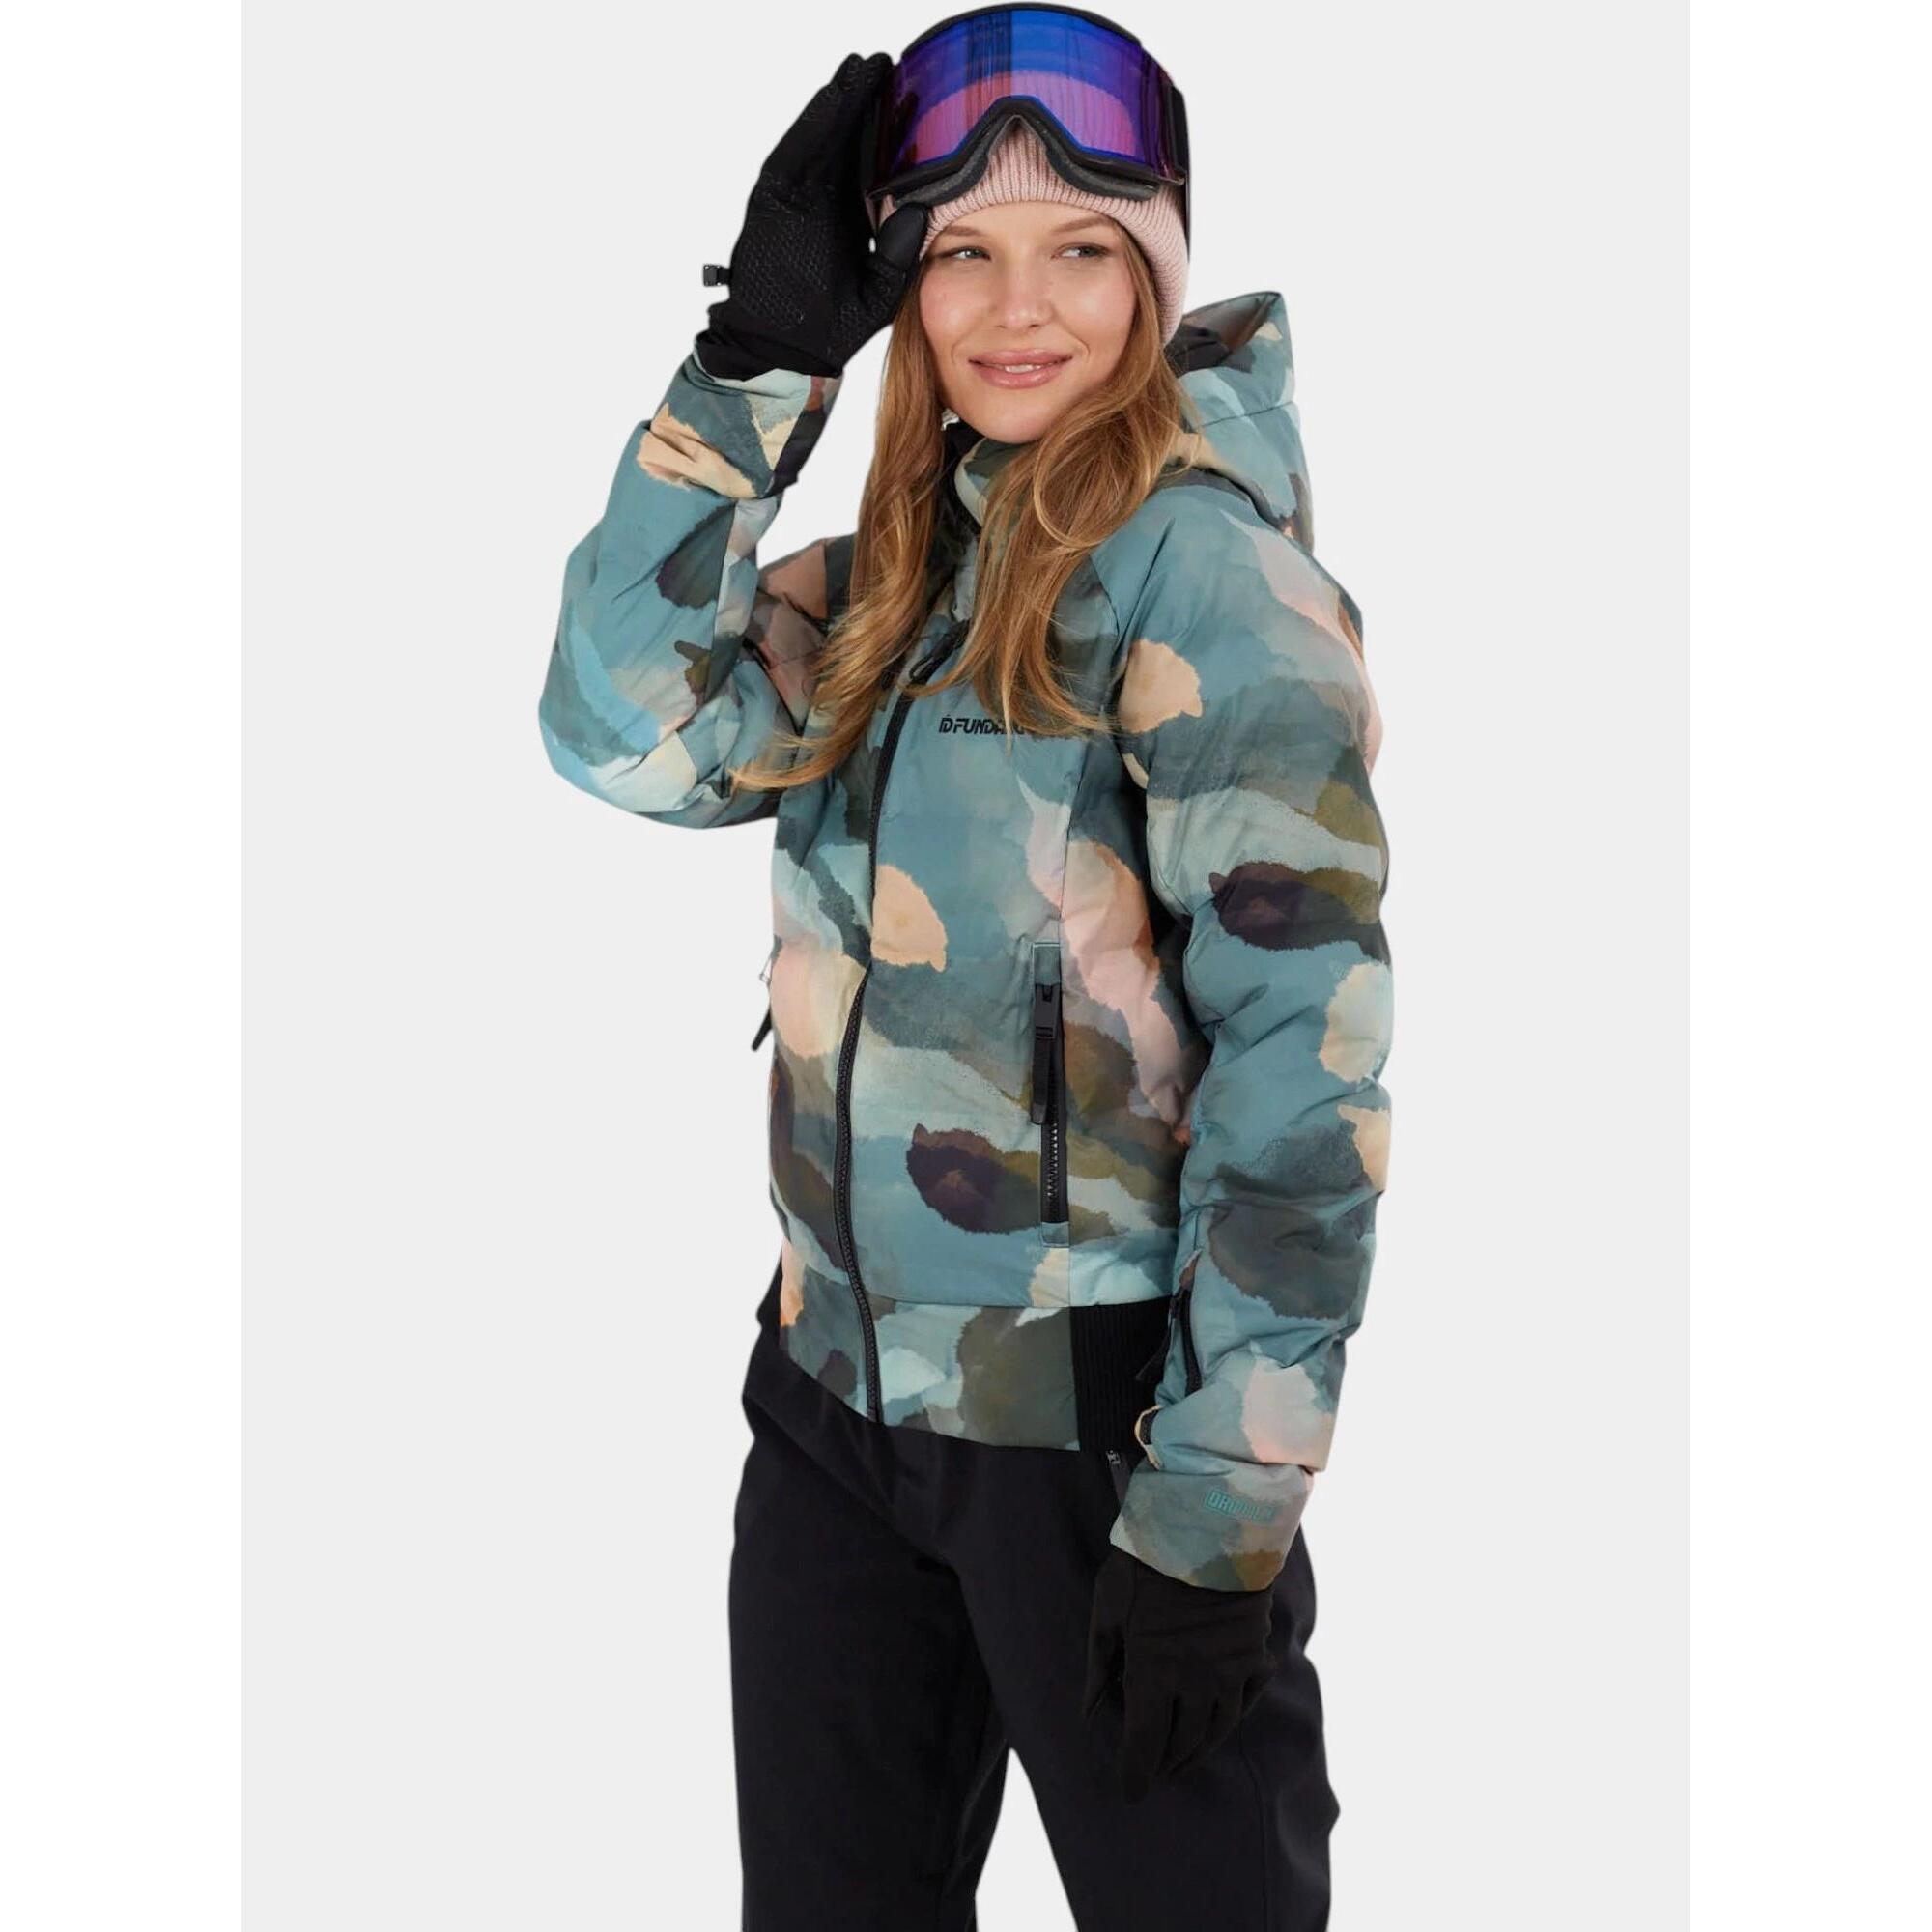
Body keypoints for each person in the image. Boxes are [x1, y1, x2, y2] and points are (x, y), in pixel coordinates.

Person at [536, 11, 1391, 1927]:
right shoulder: (896, 576)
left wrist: (1219, 1511)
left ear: (1155, 271)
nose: (1019, 307)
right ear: (901, 288)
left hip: (1093, 1428)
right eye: (962, 253)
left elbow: (1303, 1074)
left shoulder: (1212, 588)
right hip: (832, 1398)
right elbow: (616, 727)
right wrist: (752, 369)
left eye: (1081, 247)